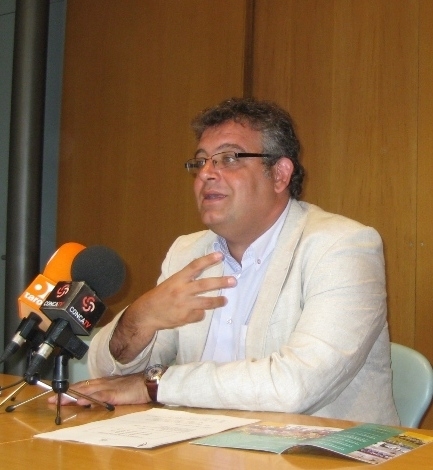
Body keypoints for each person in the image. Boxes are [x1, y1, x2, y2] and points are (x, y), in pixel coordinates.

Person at [66, 97, 399, 425]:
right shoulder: (188, 253)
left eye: (228, 159)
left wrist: (156, 385)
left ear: (279, 174)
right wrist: (139, 319)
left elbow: (294, 387)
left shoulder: (341, 246)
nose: (207, 174)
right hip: (200, 444)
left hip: (319, 449)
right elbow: (107, 377)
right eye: (201, 162)